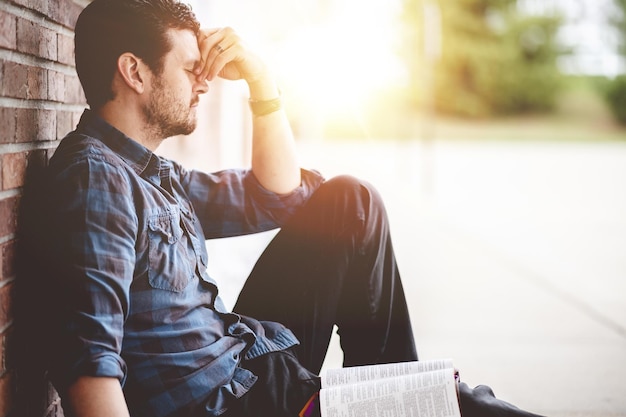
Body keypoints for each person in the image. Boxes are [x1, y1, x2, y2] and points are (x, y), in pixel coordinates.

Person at [26, 1, 546, 416]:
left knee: (349, 202)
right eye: (190, 67)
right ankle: (402, 405)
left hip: (249, 366)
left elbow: (276, 197)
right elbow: (89, 361)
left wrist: (262, 82)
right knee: (460, 405)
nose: (204, 81)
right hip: (236, 403)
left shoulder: (150, 172)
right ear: (134, 72)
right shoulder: (96, 181)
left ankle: (392, 402)